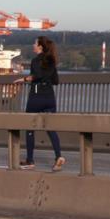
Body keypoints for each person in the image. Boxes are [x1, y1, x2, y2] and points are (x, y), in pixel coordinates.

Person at [13, 36, 64, 171]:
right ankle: (58, 156)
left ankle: (30, 161)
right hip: (50, 97)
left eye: (35, 43)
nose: (33, 45)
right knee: (50, 128)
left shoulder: (36, 60)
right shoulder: (52, 60)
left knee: (30, 127)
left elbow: (37, 76)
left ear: (40, 46)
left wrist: (23, 79)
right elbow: (55, 81)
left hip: (36, 96)